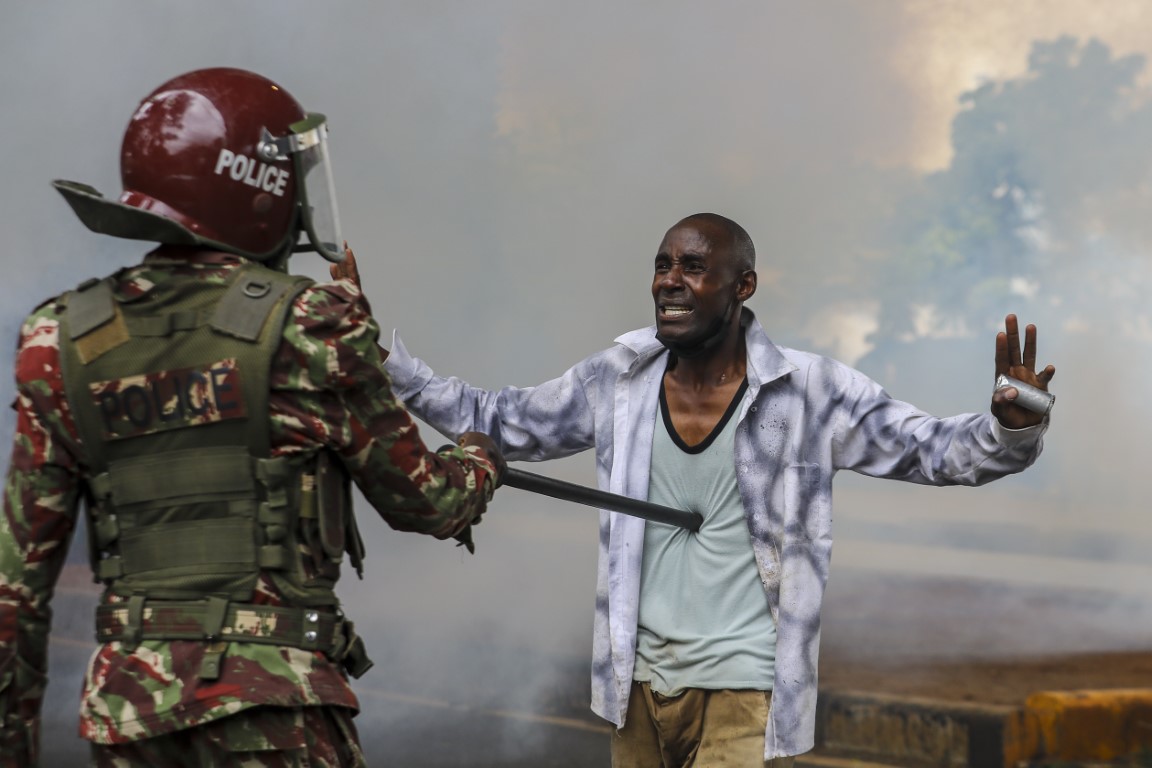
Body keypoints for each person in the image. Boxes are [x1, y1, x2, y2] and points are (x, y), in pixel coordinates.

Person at [342, 212, 1054, 766]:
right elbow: (496, 420)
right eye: (661, 265)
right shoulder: (617, 379)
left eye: (693, 266)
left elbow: (932, 451)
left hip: (746, 688)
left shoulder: (809, 392)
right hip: (636, 689)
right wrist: (389, 367)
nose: (669, 280)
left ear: (743, 286)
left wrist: (1009, 431)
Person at [0, 67, 504, 768]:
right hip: (274, 713)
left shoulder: (62, 337)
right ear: (257, 185)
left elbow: (17, 588)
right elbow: (429, 501)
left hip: (130, 719)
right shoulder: (310, 323)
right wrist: (481, 458)